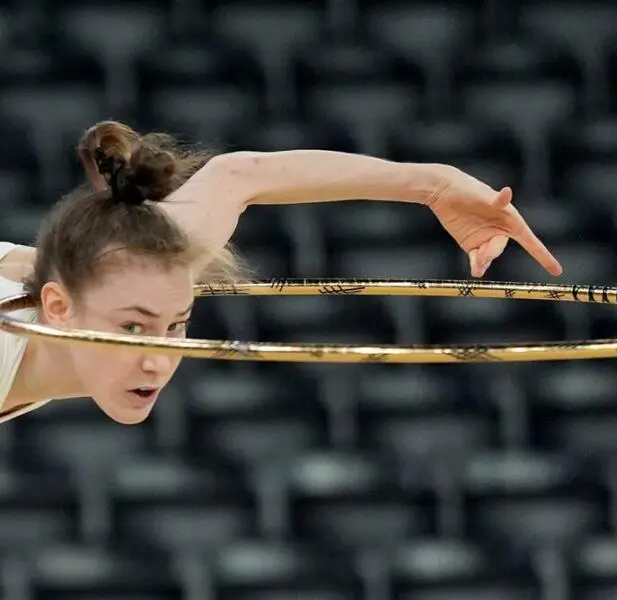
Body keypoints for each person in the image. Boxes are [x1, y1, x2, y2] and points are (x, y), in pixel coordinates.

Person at [0, 121, 562, 425]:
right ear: (55, 308)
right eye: (131, 329)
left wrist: (434, 183)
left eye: (175, 325)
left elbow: (239, 175)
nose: (158, 358)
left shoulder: (141, 258)